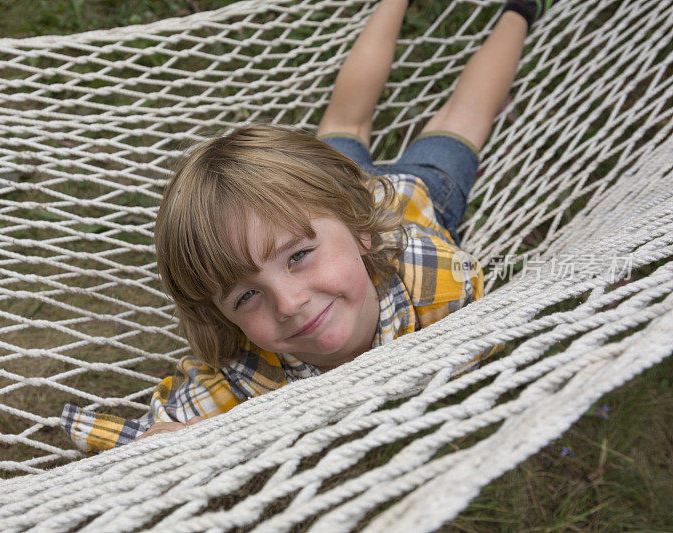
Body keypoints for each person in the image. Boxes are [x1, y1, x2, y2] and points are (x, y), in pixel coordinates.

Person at [61, 0, 552, 452]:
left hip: (411, 200)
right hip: (306, 209)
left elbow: (485, 346)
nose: (289, 304)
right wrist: (167, 441)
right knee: (345, 126)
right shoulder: (248, 368)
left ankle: (517, 10)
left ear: (363, 232)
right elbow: (160, 432)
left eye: (297, 258)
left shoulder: (443, 286)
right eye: (245, 297)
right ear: (221, 316)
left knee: (454, 119)